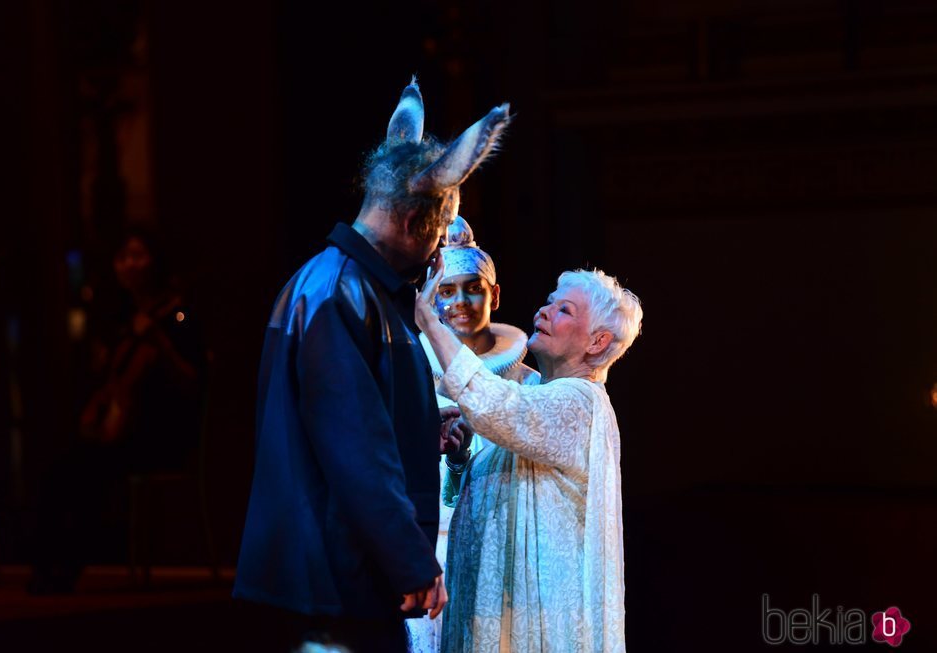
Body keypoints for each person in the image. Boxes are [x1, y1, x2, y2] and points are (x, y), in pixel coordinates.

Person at [233, 78, 511, 653]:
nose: (439, 250)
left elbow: (352, 421)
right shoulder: (341, 294)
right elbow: (353, 449)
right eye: (439, 230)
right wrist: (412, 561)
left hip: (339, 581)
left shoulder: (346, 288)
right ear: (414, 221)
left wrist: (422, 430)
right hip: (331, 588)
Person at [416, 259, 643, 653]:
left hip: (535, 627)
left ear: (597, 342)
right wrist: (459, 460)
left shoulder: (580, 402)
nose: (543, 311)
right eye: (549, 302)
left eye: (564, 309)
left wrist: (429, 321)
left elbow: (498, 406)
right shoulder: (539, 398)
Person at [30, 227, 206, 593]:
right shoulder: (125, 317)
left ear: (155, 261)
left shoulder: (179, 316)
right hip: (126, 432)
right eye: (122, 257)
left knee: (87, 471)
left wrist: (160, 343)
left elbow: (193, 382)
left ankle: (67, 568)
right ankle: (49, 565)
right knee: (58, 468)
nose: (129, 264)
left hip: (161, 435)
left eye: (138, 255)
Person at [407, 217, 539, 653]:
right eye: (445, 290)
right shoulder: (411, 379)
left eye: (473, 288)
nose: (460, 301)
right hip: (432, 551)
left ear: (494, 294)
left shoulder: (528, 384)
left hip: (503, 555)